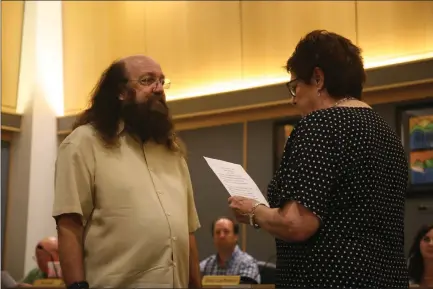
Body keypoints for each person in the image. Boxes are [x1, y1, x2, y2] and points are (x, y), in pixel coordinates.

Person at [228, 30, 409, 288]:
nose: (293, 100)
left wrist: (254, 212)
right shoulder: (387, 134)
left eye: (295, 87)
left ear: (318, 78)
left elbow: (296, 223)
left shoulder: (321, 123)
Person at [52, 55, 201, 289]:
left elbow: (187, 231)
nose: (158, 89)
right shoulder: (83, 144)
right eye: (147, 80)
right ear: (120, 92)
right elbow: (69, 224)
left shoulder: (172, 151)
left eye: (162, 81)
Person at [200, 217, 260, 284]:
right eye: (217, 232)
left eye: (226, 232)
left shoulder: (247, 264)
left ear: (236, 237)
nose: (221, 236)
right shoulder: (205, 265)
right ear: (213, 238)